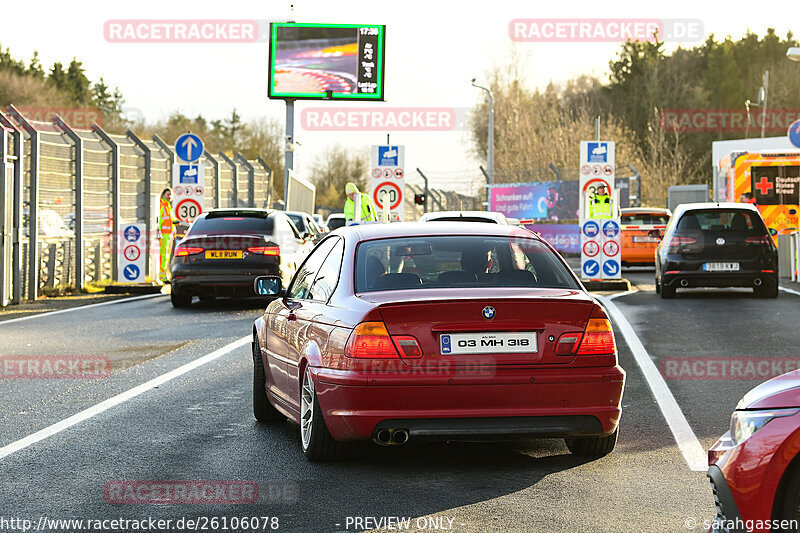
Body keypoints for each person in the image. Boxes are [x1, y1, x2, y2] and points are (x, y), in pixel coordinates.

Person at [157, 188, 175, 283]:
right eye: (168, 194)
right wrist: (159, 231)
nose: (170, 196)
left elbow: (170, 220)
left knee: (166, 255)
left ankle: (164, 275)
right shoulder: (162, 204)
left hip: (168, 234)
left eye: (171, 195)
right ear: (163, 194)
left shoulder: (167, 205)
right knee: (163, 255)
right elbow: (160, 219)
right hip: (163, 234)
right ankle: (162, 276)